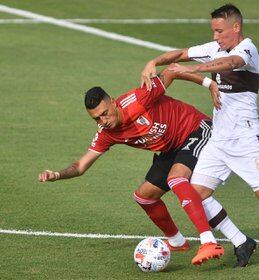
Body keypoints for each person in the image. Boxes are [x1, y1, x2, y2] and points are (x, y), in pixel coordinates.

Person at [141, 4, 259, 268]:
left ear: (236, 27)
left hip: (246, 139)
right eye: (213, 31)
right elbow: (182, 53)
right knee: (196, 193)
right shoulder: (214, 48)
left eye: (220, 31)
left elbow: (231, 63)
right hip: (218, 141)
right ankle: (241, 241)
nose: (216, 37)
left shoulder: (247, 49)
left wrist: (195, 71)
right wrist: (154, 62)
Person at [38, 67, 228, 266]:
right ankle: (177, 242)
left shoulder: (138, 99)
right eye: (96, 118)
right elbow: (80, 166)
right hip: (172, 148)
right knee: (144, 197)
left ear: (113, 101)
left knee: (175, 178)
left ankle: (208, 242)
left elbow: (172, 71)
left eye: (105, 113)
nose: (103, 121)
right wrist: (57, 174)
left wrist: (209, 84)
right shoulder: (106, 132)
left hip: (196, 128)